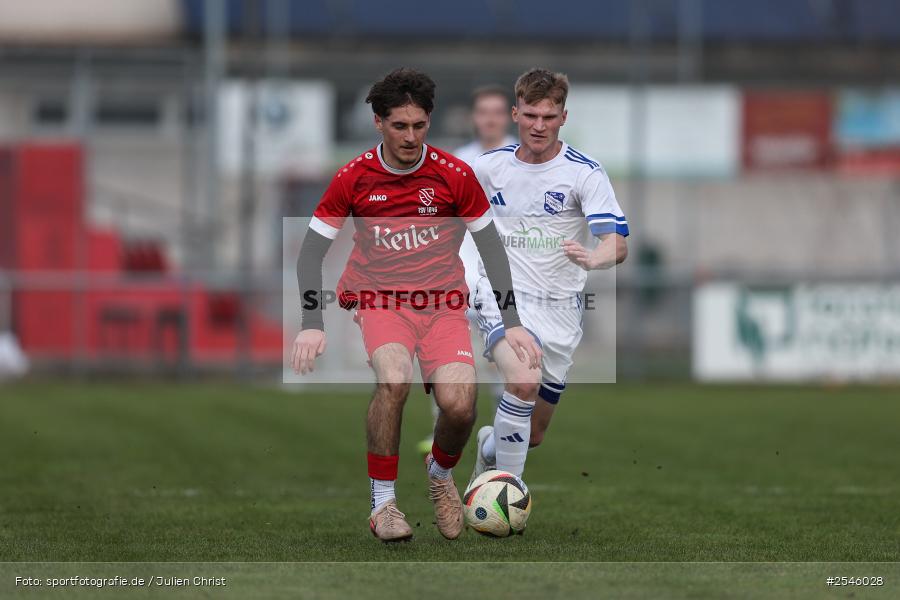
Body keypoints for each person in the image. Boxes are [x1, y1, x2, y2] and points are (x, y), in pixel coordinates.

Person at [290, 68, 541, 543]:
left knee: (461, 408)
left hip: (443, 303)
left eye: (419, 125)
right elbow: (310, 251)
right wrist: (310, 322)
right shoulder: (354, 177)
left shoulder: (453, 175)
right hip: (381, 298)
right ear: (378, 122)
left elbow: (491, 248)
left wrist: (511, 323)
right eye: (400, 126)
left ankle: (440, 475)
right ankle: (383, 504)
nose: (410, 136)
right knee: (393, 380)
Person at [468, 68, 629, 486]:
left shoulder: (584, 173)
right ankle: (507, 491)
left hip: (560, 310)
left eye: (549, 116)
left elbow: (617, 242)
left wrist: (595, 259)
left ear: (563, 117)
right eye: (532, 115)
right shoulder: (486, 169)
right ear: (516, 114)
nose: (540, 126)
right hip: (502, 296)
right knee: (523, 380)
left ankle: (490, 449)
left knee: (532, 433)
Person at [416, 85, 517, 456]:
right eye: (483, 111)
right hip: (459, 273)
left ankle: (502, 439)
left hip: (504, 275)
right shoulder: (457, 162)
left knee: (503, 363)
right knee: (450, 358)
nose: (490, 118)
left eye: (497, 111)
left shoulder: (520, 161)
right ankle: (440, 433)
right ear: (474, 117)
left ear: (508, 116)